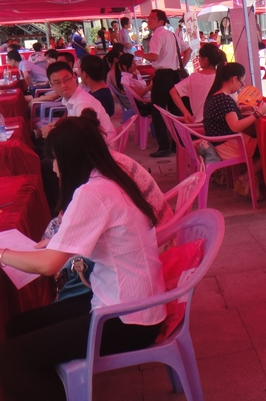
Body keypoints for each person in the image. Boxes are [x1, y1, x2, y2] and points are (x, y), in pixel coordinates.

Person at [0, 112, 166, 401]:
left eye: (55, 160)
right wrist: (55, 242)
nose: (53, 168)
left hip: (127, 320)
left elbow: (49, 265)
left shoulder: (93, 193)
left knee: (9, 360)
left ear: (70, 159)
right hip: (128, 302)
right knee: (18, 327)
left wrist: (3, 252)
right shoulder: (111, 177)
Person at [203, 62, 266, 198]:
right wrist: (258, 113)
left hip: (219, 142)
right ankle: (245, 178)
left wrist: (243, 108)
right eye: (241, 83)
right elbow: (235, 126)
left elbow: (228, 114)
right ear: (234, 79)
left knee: (259, 146)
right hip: (227, 145)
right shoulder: (224, 100)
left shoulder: (215, 96)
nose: (241, 86)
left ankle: (252, 184)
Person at [135, 9, 191, 158]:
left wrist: (141, 54)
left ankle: (164, 146)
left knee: (158, 111)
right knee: (174, 111)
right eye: (148, 17)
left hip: (163, 76)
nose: (149, 20)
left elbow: (154, 56)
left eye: (152, 18)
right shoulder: (171, 34)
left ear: (161, 21)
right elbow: (188, 50)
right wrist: (181, 66)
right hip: (174, 75)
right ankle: (178, 144)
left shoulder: (158, 35)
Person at [42, 62, 116, 141]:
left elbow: (82, 138)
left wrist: (52, 134)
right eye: (57, 82)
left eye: (66, 79)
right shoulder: (74, 98)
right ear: (51, 84)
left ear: (74, 76)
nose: (63, 85)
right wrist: (58, 126)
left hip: (102, 145)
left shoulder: (82, 104)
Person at [169, 43, 223, 124]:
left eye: (199, 57)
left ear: (205, 60)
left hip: (198, 124)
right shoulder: (222, 77)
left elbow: (173, 92)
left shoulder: (193, 77)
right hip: (220, 123)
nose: (198, 59)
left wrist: (186, 112)